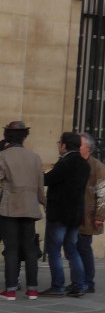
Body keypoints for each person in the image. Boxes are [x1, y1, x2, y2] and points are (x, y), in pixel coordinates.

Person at [0, 120, 45, 300]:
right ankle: (32, 289)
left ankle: (10, 289)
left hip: (10, 207)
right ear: (24, 136)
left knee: (11, 248)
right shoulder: (34, 157)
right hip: (30, 207)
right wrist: (44, 203)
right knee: (30, 248)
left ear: (7, 136)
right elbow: (40, 187)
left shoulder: (3, 156)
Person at [42, 131, 90, 297]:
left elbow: (46, 180)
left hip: (60, 214)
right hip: (76, 214)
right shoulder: (84, 164)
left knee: (54, 250)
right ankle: (79, 285)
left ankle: (58, 286)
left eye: (59, 143)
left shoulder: (65, 163)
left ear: (64, 145)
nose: (58, 146)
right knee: (72, 249)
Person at [77, 133, 105, 295]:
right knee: (75, 248)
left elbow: (104, 192)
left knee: (83, 247)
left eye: (80, 144)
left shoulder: (97, 166)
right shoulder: (74, 163)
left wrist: (100, 216)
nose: (77, 146)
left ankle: (88, 281)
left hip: (87, 215)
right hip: (74, 214)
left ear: (88, 148)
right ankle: (79, 279)